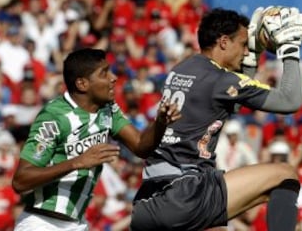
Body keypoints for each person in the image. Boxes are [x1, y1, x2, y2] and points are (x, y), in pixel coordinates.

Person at [130, 7, 302, 231]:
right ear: (224, 42)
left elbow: (232, 102)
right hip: (186, 194)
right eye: (243, 45)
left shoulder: (183, 67)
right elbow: (289, 101)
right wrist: (289, 49)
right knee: (286, 175)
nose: (245, 52)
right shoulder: (222, 81)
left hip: (150, 199)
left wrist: (253, 55)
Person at [11, 48, 181, 231]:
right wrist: (77, 162)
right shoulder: (54, 116)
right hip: (42, 223)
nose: (113, 78)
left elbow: (141, 146)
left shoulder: (108, 109)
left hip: (78, 223)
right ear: (82, 84)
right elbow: (21, 181)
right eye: (104, 73)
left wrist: (161, 122)